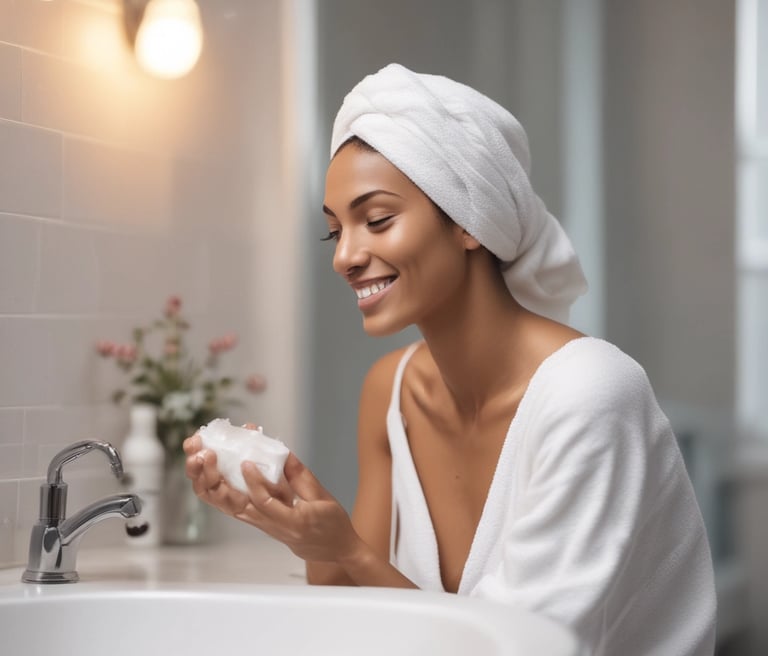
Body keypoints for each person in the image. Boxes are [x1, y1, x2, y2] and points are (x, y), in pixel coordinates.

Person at [184, 63, 716, 655]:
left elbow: (523, 648)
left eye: (377, 219)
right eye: (335, 232)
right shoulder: (390, 390)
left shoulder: (591, 394)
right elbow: (359, 615)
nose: (346, 257)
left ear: (469, 220)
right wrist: (301, 524)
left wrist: (349, 549)